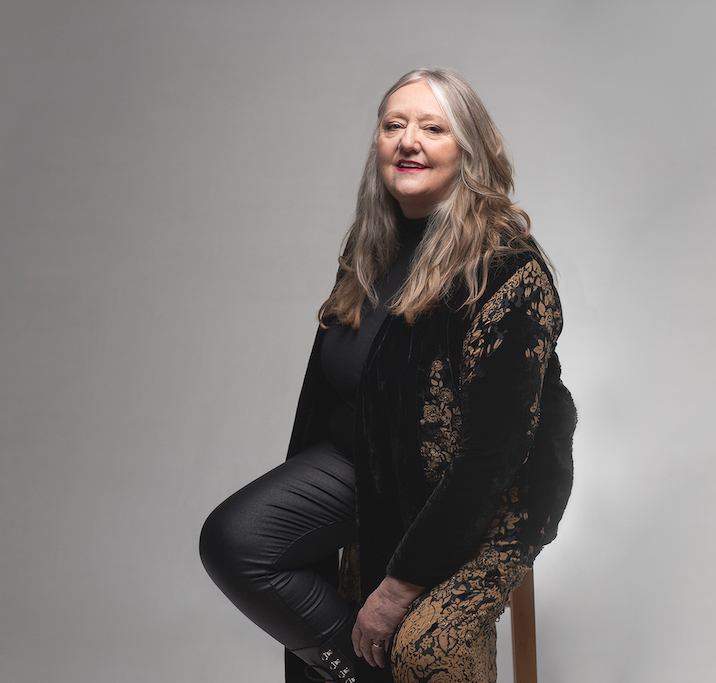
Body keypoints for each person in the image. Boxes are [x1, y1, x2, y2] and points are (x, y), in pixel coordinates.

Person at [199, 68, 576, 683]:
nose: (409, 141)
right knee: (236, 542)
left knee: (425, 648)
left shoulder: (504, 269)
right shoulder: (371, 245)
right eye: (393, 125)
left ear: (470, 150)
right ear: (376, 142)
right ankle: (362, 675)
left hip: (484, 489)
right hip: (372, 460)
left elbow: (491, 456)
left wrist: (399, 587)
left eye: (433, 127)